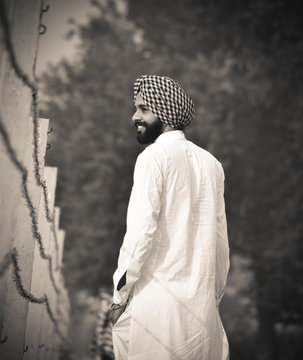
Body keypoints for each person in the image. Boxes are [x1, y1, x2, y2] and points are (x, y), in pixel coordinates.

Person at [111, 75, 230, 360]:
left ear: (164, 114)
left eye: (142, 109)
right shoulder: (212, 164)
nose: (134, 116)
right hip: (202, 317)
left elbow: (140, 234)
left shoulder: (153, 158)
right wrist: (211, 301)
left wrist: (119, 296)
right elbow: (221, 245)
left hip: (157, 313)